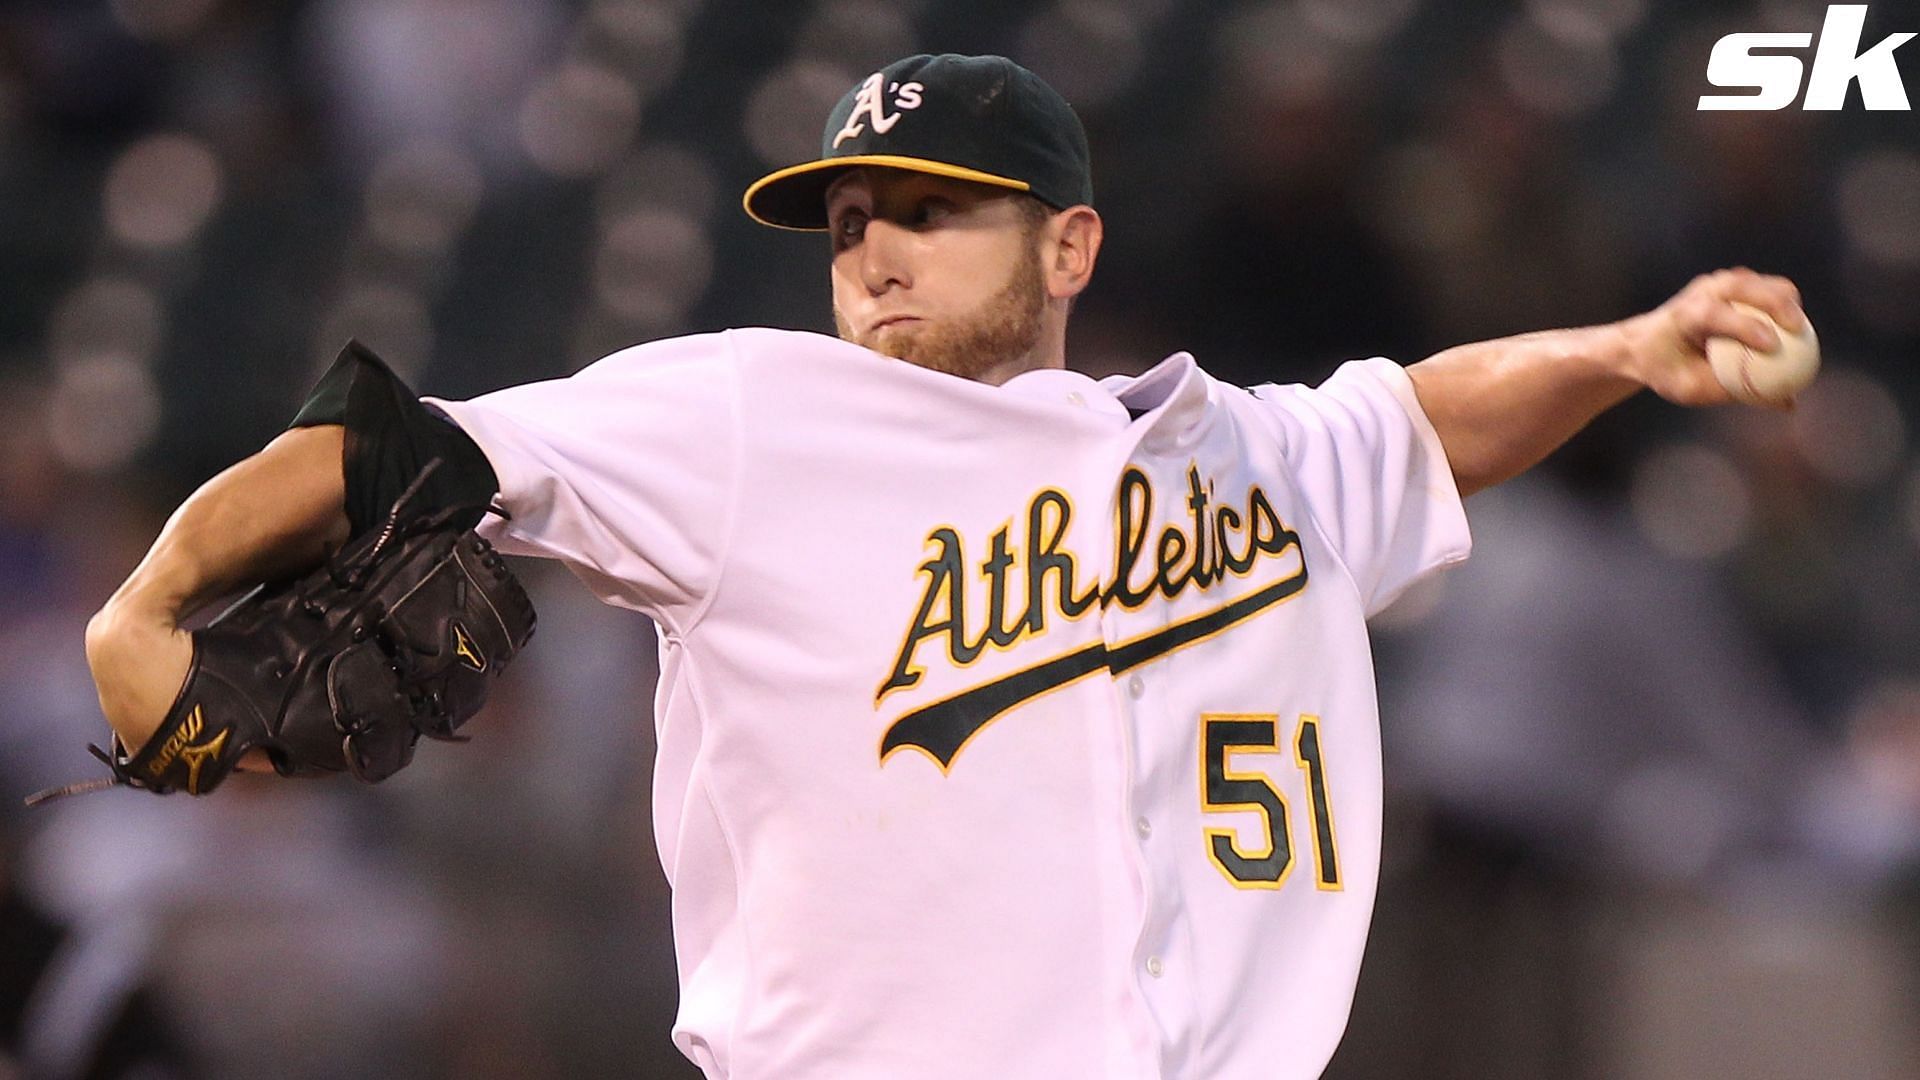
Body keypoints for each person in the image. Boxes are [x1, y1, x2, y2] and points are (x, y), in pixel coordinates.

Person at [80, 54, 1808, 1079]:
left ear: (1069, 244)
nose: (876, 253)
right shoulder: (749, 413)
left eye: (929, 209)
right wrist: (145, 605)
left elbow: (1429, 418)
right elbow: (383, 447)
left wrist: (1627, 347)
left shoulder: (1251, 456)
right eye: (848, 224)